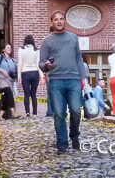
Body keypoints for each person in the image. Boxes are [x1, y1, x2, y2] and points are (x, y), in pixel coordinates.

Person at [40, 10, 88, 153]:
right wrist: (46, 65)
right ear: (52, 22)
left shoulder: (73, 38)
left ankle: (74, 135)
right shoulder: (47, 41)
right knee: (59, 113)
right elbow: (41, 63)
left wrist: (84, 79)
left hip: (73, 80)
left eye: (62, 19)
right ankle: (62, 143)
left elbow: (79, 59)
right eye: (56, 19)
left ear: (65, 21)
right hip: (56, 81)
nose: (59, 21)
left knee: (75, 110)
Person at [0, 43, 19, 120]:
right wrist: (2, 70)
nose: (9, 49)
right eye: (7, 47)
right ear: (4, 49)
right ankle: (13, 113)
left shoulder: (12, 60)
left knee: (6, 99)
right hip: (1, 79)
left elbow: (14, 73)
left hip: (10, 81)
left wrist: (15, 86)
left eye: (10, 47)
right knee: (9, 93)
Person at [18, 34, 40, 116]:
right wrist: (41, 75)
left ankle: (27, 112)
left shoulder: (21, 49)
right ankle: (35, 112)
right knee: (33, 94)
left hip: (25, 72)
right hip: (35, 72)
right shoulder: (36, 50)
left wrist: (19, 76)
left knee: (26, 93)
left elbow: (20, 63)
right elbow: (38, 64)